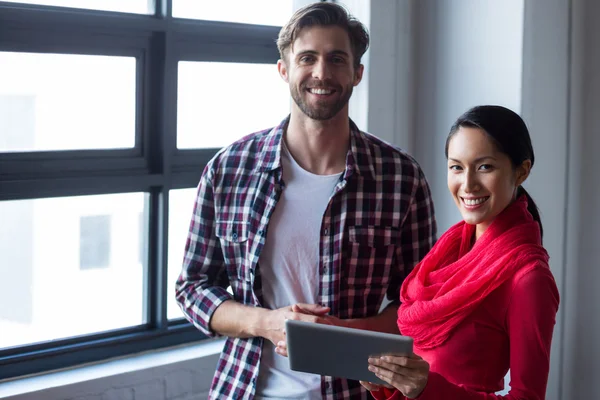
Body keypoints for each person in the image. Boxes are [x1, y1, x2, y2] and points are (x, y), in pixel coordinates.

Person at [175, 2, 436, 399]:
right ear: (284, 69)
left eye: (337, 59)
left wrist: (344, 334)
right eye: (307, 58)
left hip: (356, 393)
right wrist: (267, 323)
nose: (321, 73)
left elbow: (422, 307)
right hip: (245, 389)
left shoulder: (401, 178)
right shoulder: (228, 169)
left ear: (357, 73)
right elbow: (193, 288)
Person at [361, 105, 560, 400]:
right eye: (456, 167)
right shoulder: (451, 253)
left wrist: (427, 388)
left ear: (521, 171)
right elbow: (430, 374)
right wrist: (392, 383)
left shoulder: (528, 279)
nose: (467, 185)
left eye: (485, 167)